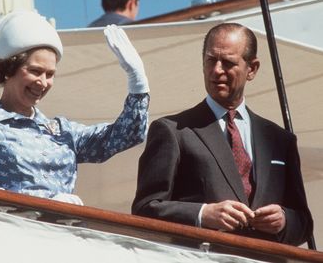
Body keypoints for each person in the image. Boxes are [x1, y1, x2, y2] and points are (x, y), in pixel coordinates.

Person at [132, 23, 313, 246]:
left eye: (228, 62)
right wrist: (203, 214)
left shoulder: (280, 140)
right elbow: (144, 209)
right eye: (211, 60)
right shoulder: (173, 130)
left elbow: (304, 224)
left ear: (252, 69)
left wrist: (284, 220)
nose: (217, 70)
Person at [0, 11, 150, 205]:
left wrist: (138, 82)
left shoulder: (64, 132)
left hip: (64, 231)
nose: (42, 82)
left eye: (50, 74)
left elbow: (126, 135)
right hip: (13, 231)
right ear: (8, 70)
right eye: (35, 71)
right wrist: (48, 203)